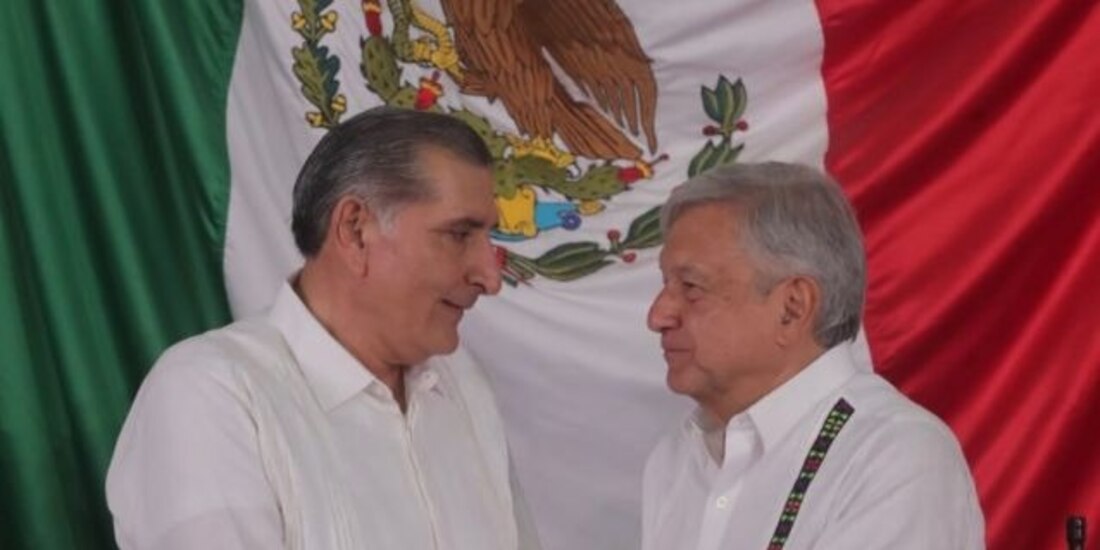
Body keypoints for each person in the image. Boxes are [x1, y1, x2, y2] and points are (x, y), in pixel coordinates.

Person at [107, 106, 540, 550]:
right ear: (355, 230)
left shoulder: (462, 384)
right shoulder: (212, 394)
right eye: (459, 235)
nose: (490, 277)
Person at [642, 162, 985, 549]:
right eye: (665, 284)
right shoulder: (677, 457)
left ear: (792, 307)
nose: (657, 316)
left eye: (691, 287)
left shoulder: (893, 456)